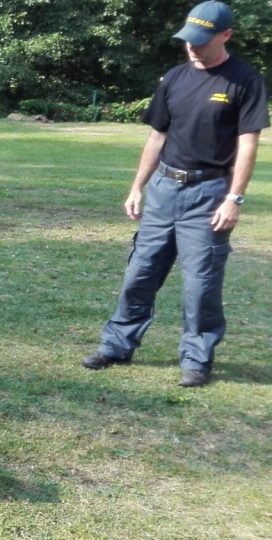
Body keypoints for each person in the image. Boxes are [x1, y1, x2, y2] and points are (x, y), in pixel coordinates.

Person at [82, 0, 269, 387]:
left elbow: (248, 144)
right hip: (164, 191)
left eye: (202, 41)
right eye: (188, 40)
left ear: (226, 35)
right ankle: (117, 345)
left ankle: (196, 358)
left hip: (209, 193)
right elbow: (157, 136)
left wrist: (234, 198)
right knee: (140, 273)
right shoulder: (173, 78)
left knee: (201, 284)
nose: (193, 47)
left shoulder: (245, 80)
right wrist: (137, 187)